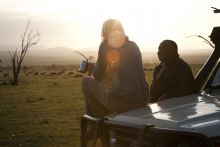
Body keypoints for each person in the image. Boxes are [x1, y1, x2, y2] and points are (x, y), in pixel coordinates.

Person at [81, 19, 149, 118]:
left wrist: (94, 68)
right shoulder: (133, 45)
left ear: (105, 32)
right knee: (107, 90)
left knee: (86, 82)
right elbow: (124, 73)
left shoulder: (105, 45)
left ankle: (98, 123)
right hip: (142, 99)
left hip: (121, 102)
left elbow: (98, 76)